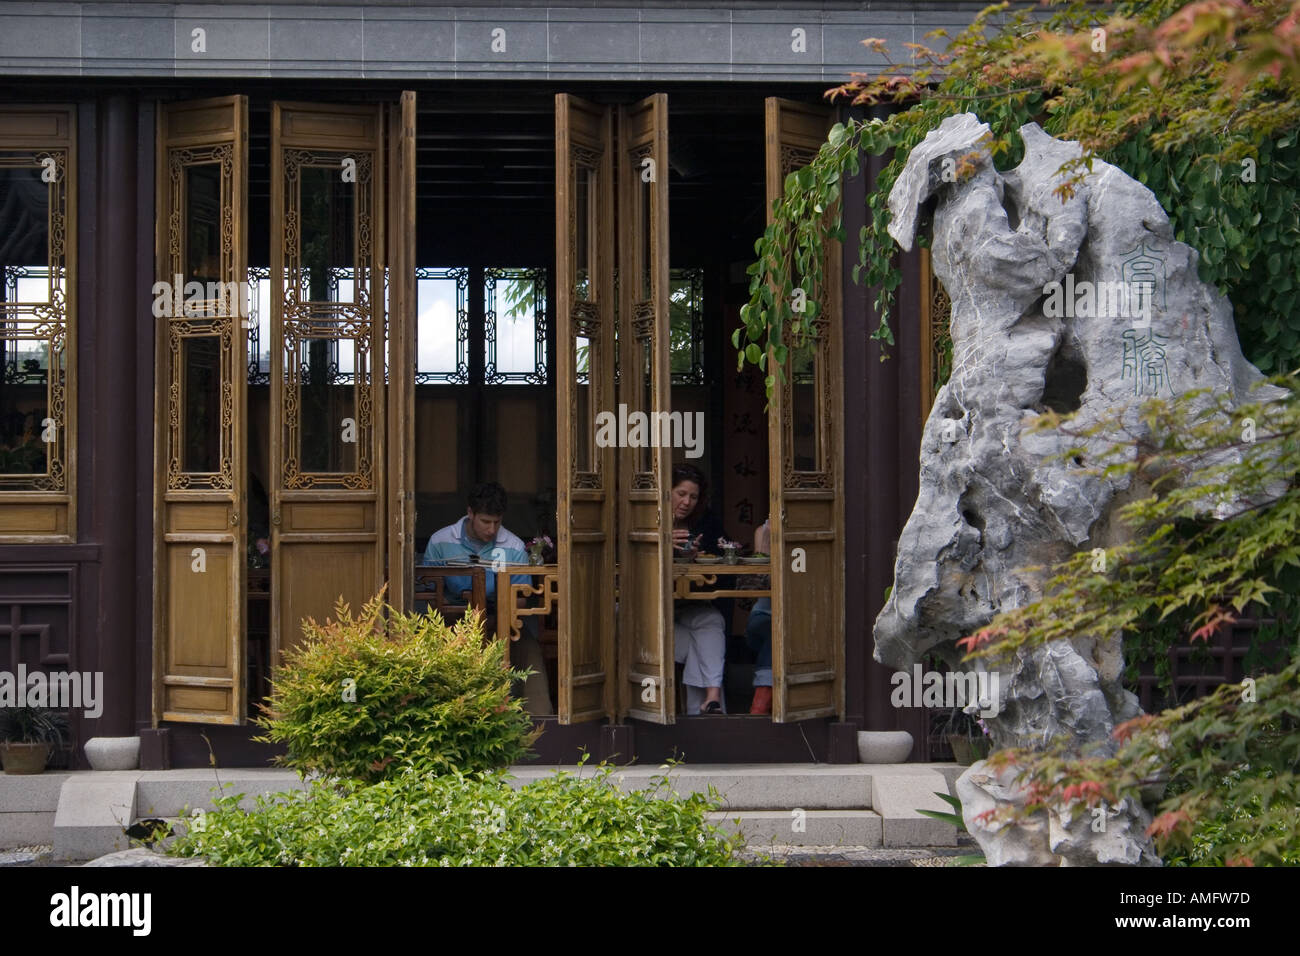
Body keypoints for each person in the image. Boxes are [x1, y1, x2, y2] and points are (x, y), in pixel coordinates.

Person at [422, 482, 551, 716]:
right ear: (470, 513)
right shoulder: (440, 541)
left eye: (497, 522)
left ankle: (538, 723)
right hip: (452, 624)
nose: (492, 529)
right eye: (485, 522)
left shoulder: (512, 545)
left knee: (529, 655)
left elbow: (521, 597)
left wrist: (493, 621)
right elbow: (431, 594)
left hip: (501, 624)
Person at [669, 463, 730, 714]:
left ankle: (710, 700)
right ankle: (710, 709)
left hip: (683, 606)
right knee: (704, 649)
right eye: (681, 494)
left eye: (693, 497)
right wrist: (658, 540)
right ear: (666, 492)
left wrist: (692, 557)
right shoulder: (640, 521)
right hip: (643, 618)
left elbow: (717, 553)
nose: (687, 502)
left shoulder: (701, 524)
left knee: (712, 619)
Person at [744, 517, 773, 715]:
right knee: (775, 631)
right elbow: (759, 586)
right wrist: (766, 542)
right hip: (763, 615)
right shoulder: (762, 531)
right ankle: (759, 707)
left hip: (800, 618)